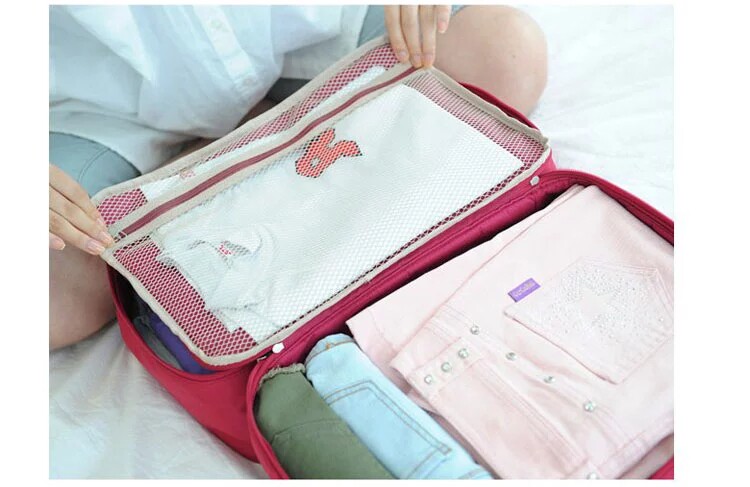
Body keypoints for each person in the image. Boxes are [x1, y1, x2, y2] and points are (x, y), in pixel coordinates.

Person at [49, 4, 548, 350]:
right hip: (104, 102)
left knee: (502, 53)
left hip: (301, 29)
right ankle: (233, 158)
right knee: (51, 298)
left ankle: (242, 157)